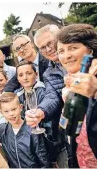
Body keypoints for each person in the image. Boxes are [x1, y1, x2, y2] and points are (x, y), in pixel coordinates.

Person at [26, 24, 69, 168]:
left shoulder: (84, 55)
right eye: (42, 47)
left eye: (50, 43)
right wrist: (40, 111)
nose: (48, 49)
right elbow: (52, 97)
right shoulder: (48, 73)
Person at [57, 23, 97, 168]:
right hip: (80, 159)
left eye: (73, 48)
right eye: (61, 51)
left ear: (90, 50)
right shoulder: (70, 80)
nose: (66, 56)